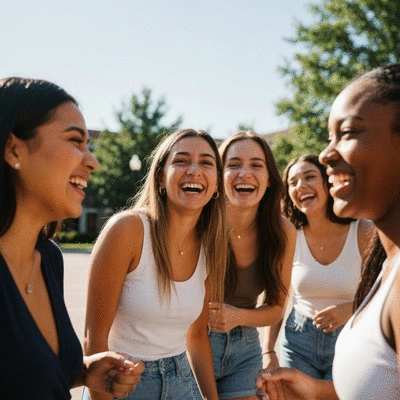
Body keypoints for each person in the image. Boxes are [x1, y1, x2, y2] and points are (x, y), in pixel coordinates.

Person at [256, 64, 400, 399]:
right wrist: (313, 390)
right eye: (328, 138)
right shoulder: (388, 266)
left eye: (348, 133)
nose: (326, 155)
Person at [0, 77, 144, 400]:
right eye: (75, 141)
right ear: (13, 150)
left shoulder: (50, 259)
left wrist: (84, 371)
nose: (92, 161)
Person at [83, 129, 228, 400]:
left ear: (217, 183)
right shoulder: (128, 230)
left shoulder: (211, 245)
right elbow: (94, 340)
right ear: (162, 177)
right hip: (123, 380)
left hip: (182, 379)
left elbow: (196, 336)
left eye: (206, 163)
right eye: (181, 161)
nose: (194, 171)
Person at [262, 154, 373, 380]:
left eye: (309, 177)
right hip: (298, 341)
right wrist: (268, 350)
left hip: (351, 338)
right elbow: (276, 296)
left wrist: (352, 308)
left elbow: (391, 290)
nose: (301, 186)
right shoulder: (290, 236)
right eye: (293, 183)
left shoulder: (363, 231)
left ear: (328, 182)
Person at [207, 131, 296, 399]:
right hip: (192, 343)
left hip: (245, 349)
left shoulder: (282, 231)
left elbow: (276, 308)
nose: (245, 173)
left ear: (269, 179)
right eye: (233, 165)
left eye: (257, 165)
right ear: (219, 176)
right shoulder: (201, 222)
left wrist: (237, 316)